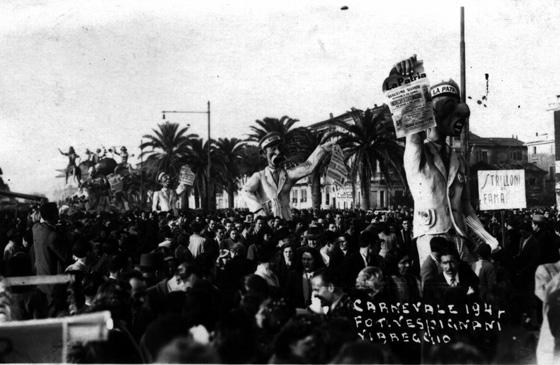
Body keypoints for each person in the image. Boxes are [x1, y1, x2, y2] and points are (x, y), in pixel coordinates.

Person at [391, 56, 498, 274]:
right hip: (431, 236)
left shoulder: (457, 158)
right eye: (454, 113)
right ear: (438, 112)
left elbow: (466, 208)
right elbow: (412, 134)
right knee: (435, 292)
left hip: (460, 238)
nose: (461, 121)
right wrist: (406, 82)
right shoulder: (418, 153)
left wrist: (487, 239)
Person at [242, 131, 334, 220]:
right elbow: (245, 191)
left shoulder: (289, 175)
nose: (277, 152)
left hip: (286, 222)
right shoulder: (259, 176)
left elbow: (308, 167)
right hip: (267, 223)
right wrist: (258, 210)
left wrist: (323, 149)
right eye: (273, 149)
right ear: (264, 153)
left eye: (279, 148)